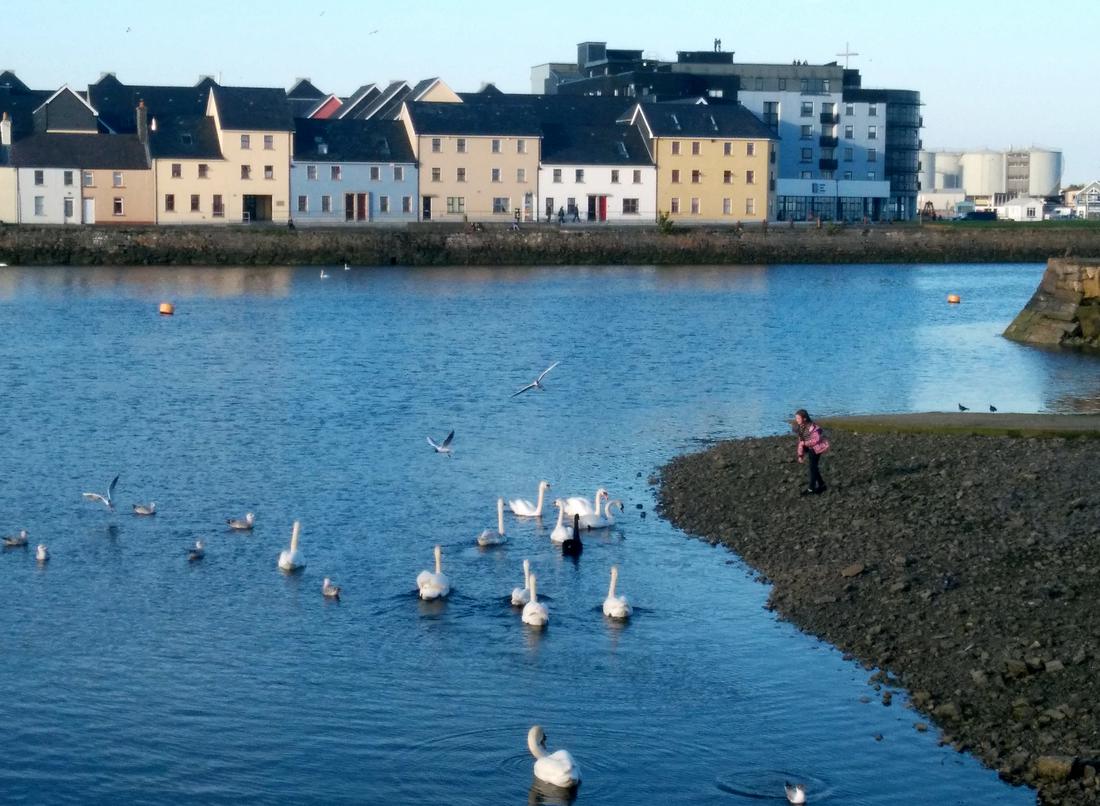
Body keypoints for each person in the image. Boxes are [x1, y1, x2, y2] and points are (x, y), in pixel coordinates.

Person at [793, 409, 828, 495]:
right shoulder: (800, 428)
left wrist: (805, 443)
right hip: (810, 448)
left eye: (798, 418)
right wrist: (800, 455)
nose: (796, 420)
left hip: (817, 448)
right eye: (796, 418)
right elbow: (800, 443)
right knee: (814, 467)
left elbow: (817, 439)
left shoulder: (812, 427)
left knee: (813, 468)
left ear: (804, 418)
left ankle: (811, 489)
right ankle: (822, 485)